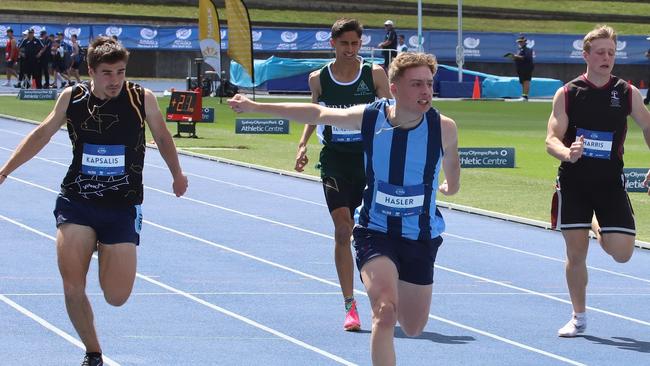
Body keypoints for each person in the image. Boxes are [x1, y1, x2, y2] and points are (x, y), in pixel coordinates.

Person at [229, 52, 461, 366]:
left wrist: (451, 187)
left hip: (420, 236)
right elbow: (317, 113)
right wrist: (257, 107)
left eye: (429, 84)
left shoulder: (443, 128)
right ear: (393, 88)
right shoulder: (371, 117)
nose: (425, 91)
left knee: (413, 325)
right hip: (375, 230)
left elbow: (452, 169)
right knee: (385, 312)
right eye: (416, 84)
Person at [0, 36, 188, 365]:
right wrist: (5, 171)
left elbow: (161, 136)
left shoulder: (141, 98)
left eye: (120, 72)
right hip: (77, 201)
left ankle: (104, 248)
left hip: (122, 206)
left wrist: (177, 174)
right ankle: (93, 352)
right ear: (90, 71)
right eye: (107, 73)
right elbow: (42, 133)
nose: (115, 80)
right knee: (73, 286)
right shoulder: (71, 98)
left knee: (116, 296)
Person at [545, 25, 650, 338]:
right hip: (574, 182)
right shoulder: (568, 93)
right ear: (586, 55)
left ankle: (595, 223)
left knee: (622, 253)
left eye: (611, 53)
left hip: (609, 184)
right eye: (601, 52)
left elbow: (647, 126)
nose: (607, 58)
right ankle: (579, 317)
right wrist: (567, 152)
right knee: (576, 255)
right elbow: (550, 138)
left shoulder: (627, 92)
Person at [294, 18, 391, 332]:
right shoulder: (318, 79)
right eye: (344, 44)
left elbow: (392, 113)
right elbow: (314, 113)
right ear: (333, 44)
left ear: (361, 44)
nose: (350, 49)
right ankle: (350, 305)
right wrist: (302, 145)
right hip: (335, 160)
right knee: (341, 230)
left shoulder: (374, 74)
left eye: (355, 44)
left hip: (370, 161)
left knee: (376, 234)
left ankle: (382, 292)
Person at [511, 34, 534, 101]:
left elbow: (526, 57)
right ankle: (523, 95)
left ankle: (525, 96)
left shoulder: (528, 49)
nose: (520, 43)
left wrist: (516, 56)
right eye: (519, 42)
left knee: (526, 81)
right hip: (521, 68)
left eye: (521, 41)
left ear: (524, 42)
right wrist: (514, 57)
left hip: (527, 68)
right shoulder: (520, 50)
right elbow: (519, 58)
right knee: (523, 82)